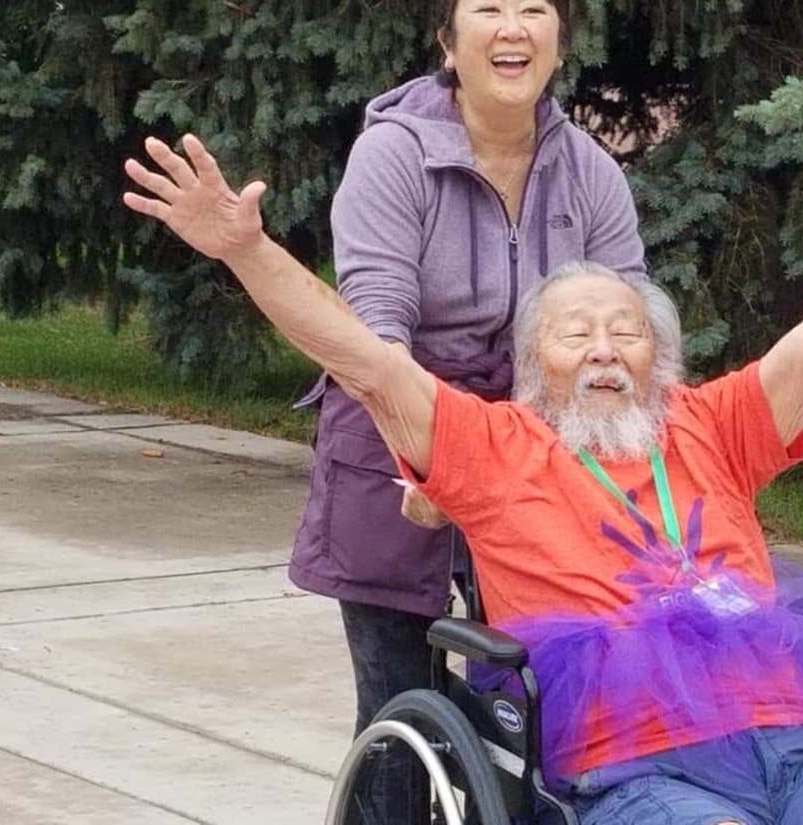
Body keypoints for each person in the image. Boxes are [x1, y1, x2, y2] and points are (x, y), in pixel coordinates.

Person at [123, 117, 803, 823]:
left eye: (628, 330)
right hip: (635, 770)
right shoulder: (491, 444)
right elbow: (366, 362)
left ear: (661, 358)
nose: (604, 348)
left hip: (796, 739)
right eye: (576, 334)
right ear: (533, 363)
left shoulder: (712, 423)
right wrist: (246, 251)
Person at [285, 1, 646, 817]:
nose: (512, 27)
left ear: (559, 39)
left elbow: (627, 319)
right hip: (395, 429)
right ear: (448, 40)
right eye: (487, 7)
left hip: (532, 445)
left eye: (534, 9)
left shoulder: (590, 172)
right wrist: (427, 458)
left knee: (531, 691)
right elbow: (375, 324)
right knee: (397, 698)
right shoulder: (393, 155)